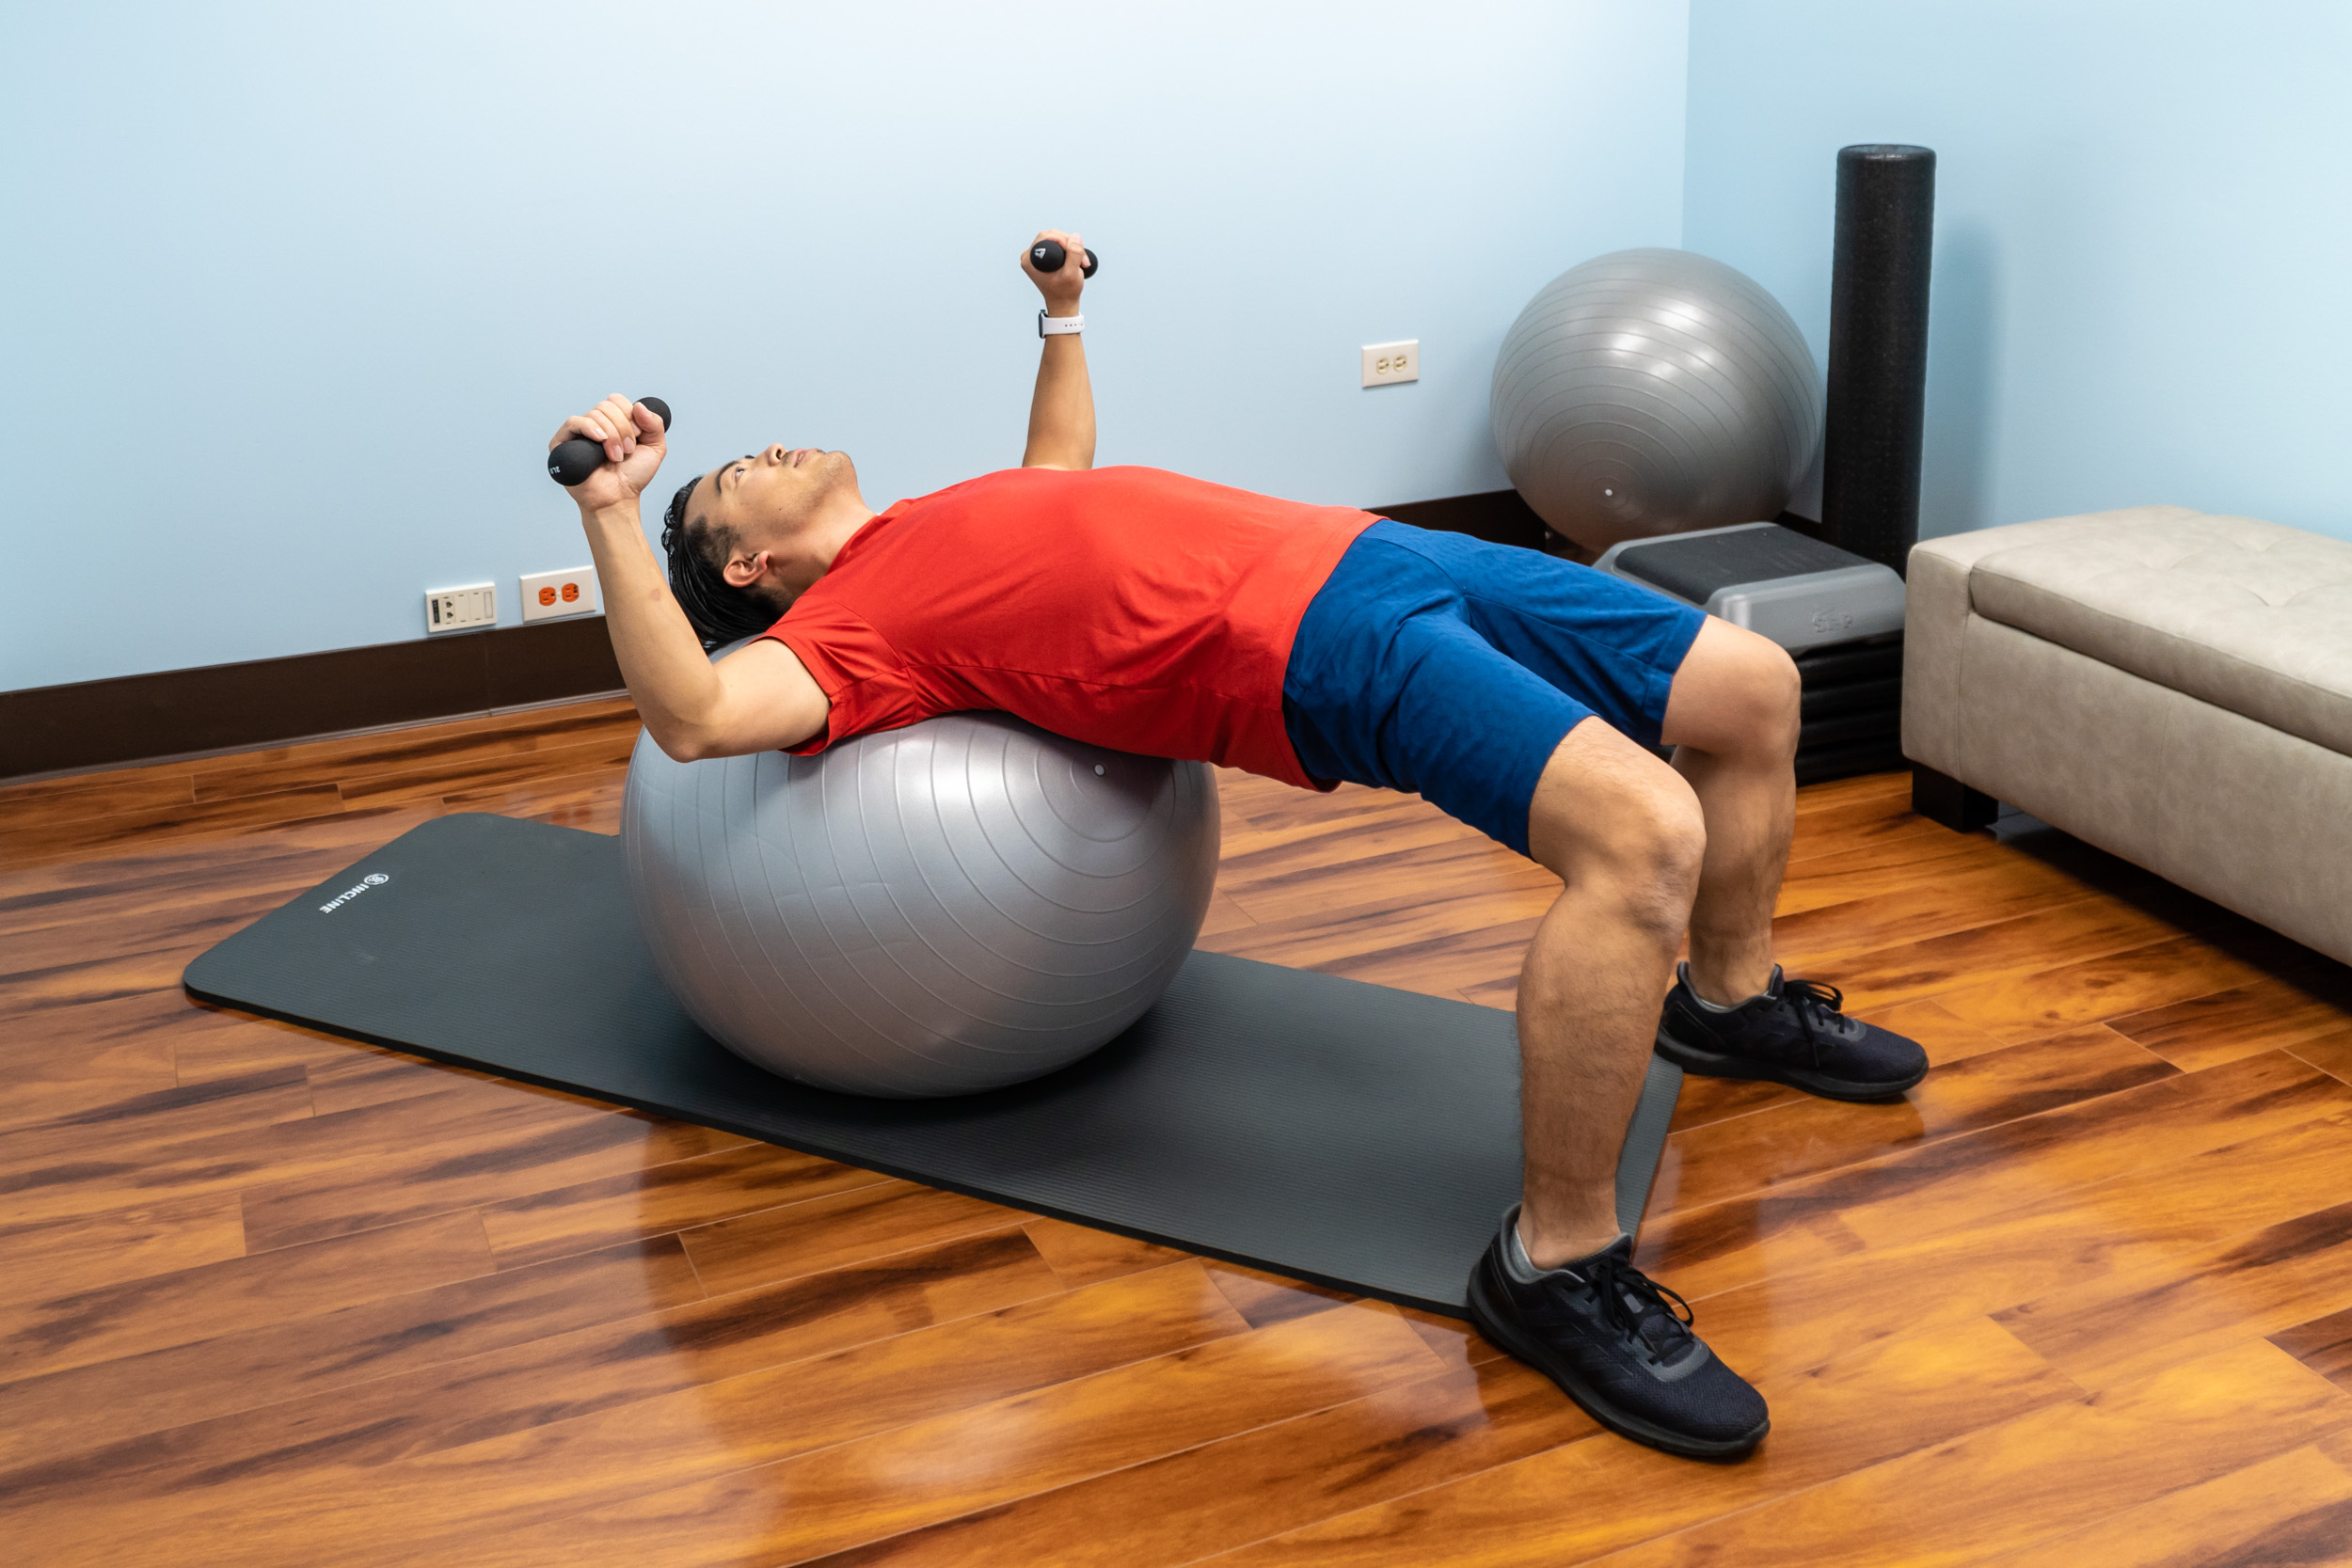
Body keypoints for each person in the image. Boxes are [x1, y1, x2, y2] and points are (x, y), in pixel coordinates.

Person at [549, 229, 1928, 1462]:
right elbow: (696, 716)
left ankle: (1733, 1004)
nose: (773, 446)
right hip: (1310, 644)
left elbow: (1058, 472)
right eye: (740, 478)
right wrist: (613, 508)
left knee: (1756, 691)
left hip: (1368, 552)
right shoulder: (840, 634)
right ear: (746, 568)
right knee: (1643, 836)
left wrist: (1064, 316)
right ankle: (1556, 1262)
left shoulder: (932, 521)